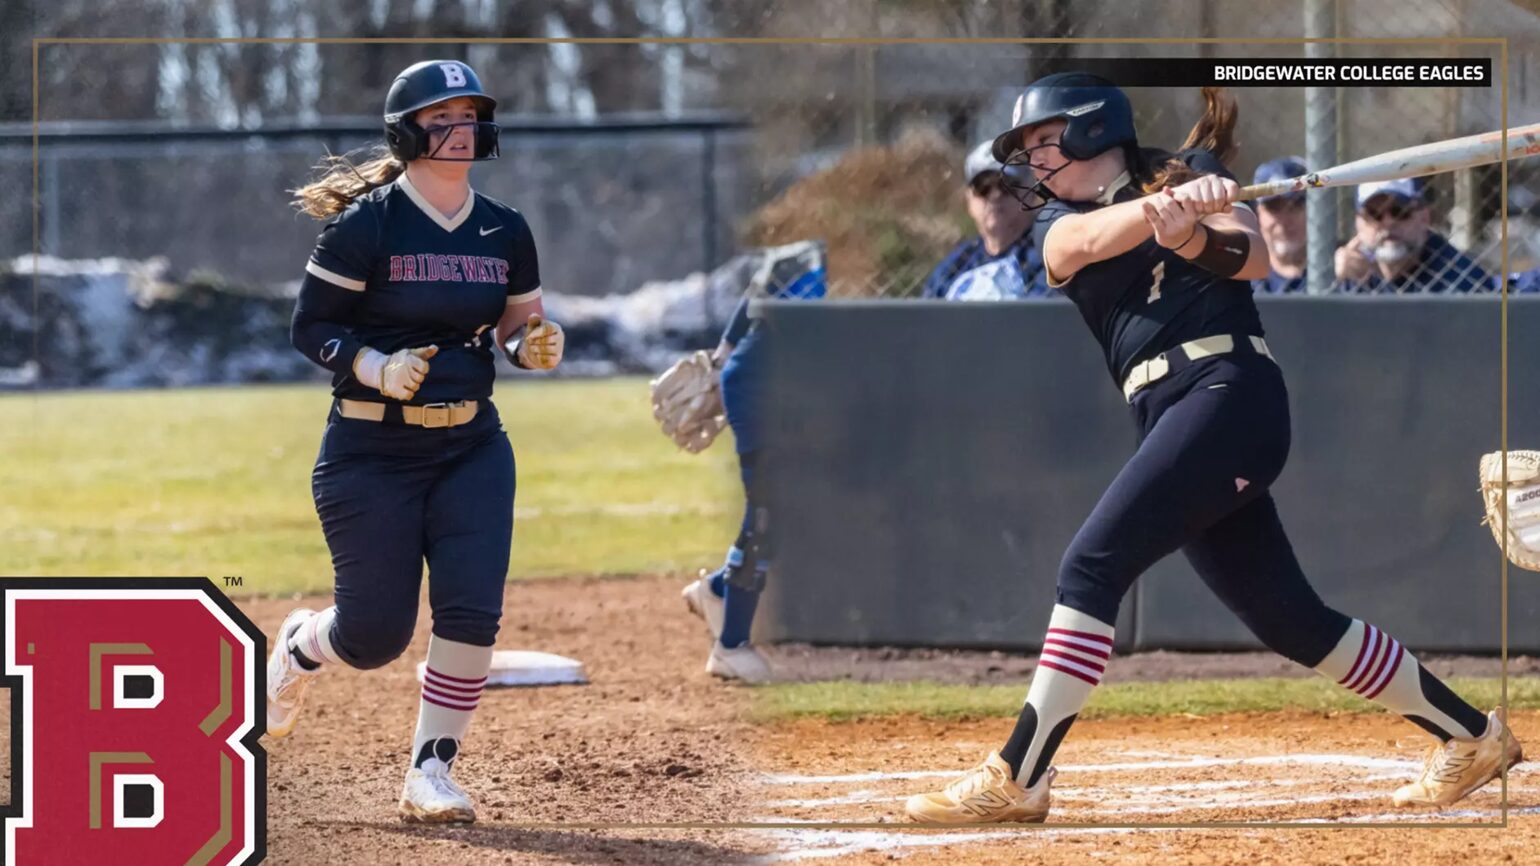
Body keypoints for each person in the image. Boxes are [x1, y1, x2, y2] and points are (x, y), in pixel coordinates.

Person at [903, 73, 1522, 825]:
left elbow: (1251, 258)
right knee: (1290, 619)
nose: (1030, 162)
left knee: (1091, 565)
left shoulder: (1191, 177)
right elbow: (1083, 243)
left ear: (1092, 129)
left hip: (1227, 394)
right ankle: (1473, 737)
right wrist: (1153, 214)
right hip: (1169, 412)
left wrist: (1193, 228)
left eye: (1041, 141)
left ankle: (1018, 774)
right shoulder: (1056, 227)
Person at [266, 59, 566, 824]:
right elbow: (311, 328)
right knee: (373, 636)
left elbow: (515, 326)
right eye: (444, 117)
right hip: (370, 454)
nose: (462, 130)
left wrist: (531, 345)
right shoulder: (366, 224)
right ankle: (302, 644)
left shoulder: (506, 227)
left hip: (472, 447)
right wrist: (374, 365)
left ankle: (431, 770)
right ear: (408, 133)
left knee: (471, 612)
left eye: (469, 115)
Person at [680, 243, 826, 683]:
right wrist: (723, 354)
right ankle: (731, 644)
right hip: (758, 383)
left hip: (787, 385)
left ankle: (718, 589)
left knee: (787, 511)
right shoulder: (816, 252)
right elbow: (760, 285)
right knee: (767, 511)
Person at [920, 141, 1049, 300]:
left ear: (1030, 193)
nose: (995, 196)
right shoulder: (957, 265)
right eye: (983, 188)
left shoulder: (1047, 255)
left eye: (1006, 185)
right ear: (969, 200)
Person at [1334, 178, 1492, 293]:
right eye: (1374, 215)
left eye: (1399, 212)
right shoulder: (1351, 268)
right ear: (1358, 224)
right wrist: (1333, 281)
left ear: (1424, 218)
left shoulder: (1458, 276)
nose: (1388, 223)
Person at [1250, 156, 1308, 294]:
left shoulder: (1339, 274)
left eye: (1295, 206)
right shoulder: (1243, 283)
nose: (1284, 220)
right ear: (1258, 215)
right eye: (1273, 207)